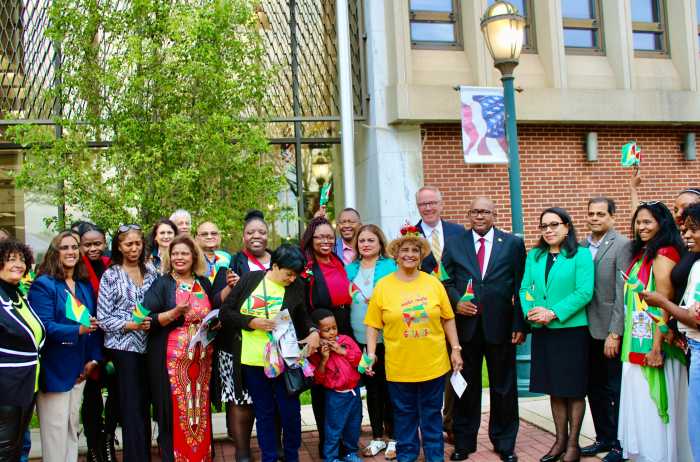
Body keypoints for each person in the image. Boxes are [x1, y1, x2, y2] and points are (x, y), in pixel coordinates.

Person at [364, 225, 463, 462]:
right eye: (404, 250)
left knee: (431, 415)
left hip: (433, 364)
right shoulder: (383, 286)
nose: (409, 254)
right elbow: (372, 325)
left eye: (415, 250)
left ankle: (434, 456)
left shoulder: (433, 283)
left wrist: (456, 349)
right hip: (399, 366)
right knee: (404, 416)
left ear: (421, 256)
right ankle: (406, 456)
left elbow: (448, 318)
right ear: (396, 255)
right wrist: (370, 354)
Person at [441, 197, 526, 462]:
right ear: (469, 214)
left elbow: (521, 286)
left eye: (485, 211)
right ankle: (464, 442)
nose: (480, 216)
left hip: (501, 327)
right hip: (467, 328)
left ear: (494, 214)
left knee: (504, 387)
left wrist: (519, 323)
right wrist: (457, 303)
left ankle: (504, 443)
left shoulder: (512, 244)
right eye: (475, 211)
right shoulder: (455, 244)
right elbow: (444, 280)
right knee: (465, 386)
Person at [219, 244, 321, 462]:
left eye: (296, 275)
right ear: (275, 266)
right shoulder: (250, 280)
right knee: (264, 413)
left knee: (290, 413)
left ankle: (291, 456)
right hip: (252, 360)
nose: (292, 278)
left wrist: (313, 331)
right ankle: (269, 457)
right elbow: (225, 313)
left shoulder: (296, 286)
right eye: (289, 274)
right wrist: (251, 322)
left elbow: (303, 316)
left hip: (284, 360)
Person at [617, 202, 691, 462]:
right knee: (640, 406)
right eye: (638, 222)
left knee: (653, 408)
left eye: (648, 222)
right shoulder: (645, 252)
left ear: (662, 223)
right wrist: (633, 189)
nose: (641, 227)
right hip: (636, 337)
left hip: (655, 343)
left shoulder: (664, 253)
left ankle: (659, 456)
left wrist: (657, 347)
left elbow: (664, 301)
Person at [519, 208, 594, 462]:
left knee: (573, 389)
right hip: (544, 332)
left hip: (571, 331)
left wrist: (553, 312)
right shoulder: (535, 256)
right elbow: (525, 289)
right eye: (544, 226)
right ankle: (559, 440)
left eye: (554, 224)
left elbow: (584, 292)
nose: (548, 230)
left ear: (567, 227)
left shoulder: (581, 255)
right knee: (554, 389)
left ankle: (573, 444)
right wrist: (532, 311)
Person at [29, 231, 102, 462]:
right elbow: (45, 327)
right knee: (55, 433)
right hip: (55, 369)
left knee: (72, 429)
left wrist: (93, 360)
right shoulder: (44, 285)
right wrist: (77, 330)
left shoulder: (82, 285)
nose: (71, 252)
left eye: (74, 247)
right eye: (65, 247)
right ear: (55, 252)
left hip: (80, 371)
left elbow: (94, 324)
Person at [142, 234, 217, 461]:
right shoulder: (162, 283)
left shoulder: (203, 282)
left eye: (184, 253)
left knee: (199, 409)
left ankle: (201, 456)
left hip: (202, 362)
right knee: (173, 412)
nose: (179, 258)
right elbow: (146, 319)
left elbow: (212, 311)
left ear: (194, 256)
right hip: (171, 363)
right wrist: (174, 313)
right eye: (174, 254)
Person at [211, 210, 273, 461]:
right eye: (250, 232)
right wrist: (229, 287)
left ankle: (273, 447)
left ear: (268, 236)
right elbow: (215, 303)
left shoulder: (279, 261)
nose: (256, 236)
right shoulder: (231, 265)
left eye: (261, 232)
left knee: (273, 396)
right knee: (240, 398)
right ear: (243, 237)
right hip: (237, 343)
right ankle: (243, 452)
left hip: (273, 342)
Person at [641, 202, 700, 461]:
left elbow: (697, 318)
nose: (685, 235)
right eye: (685, 229)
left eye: (693, 229)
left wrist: (662, 303)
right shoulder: (696, 264)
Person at [97, 224, 158, 462]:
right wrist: (130, 325)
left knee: (146, 405)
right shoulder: (111, 275)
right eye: (128, 244)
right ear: (119, 247)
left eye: (138, 243)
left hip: (150, 345)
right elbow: (103, 318)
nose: (134, 248)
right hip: (124, 348)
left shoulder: (152, 271)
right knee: (131, 406)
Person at [578, 198, 630, 462]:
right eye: (591, 214)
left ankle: (621, 444)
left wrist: (615, 333)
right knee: (593, 388)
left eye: (600, 214)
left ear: (612, 217)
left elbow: (623, 293)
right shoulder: (580, 247)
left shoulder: (622, 245)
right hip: (584, 329)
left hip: (609, 330)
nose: (594, 218)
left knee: (615, 389)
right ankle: (603, 438)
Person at [300, 216, 352, 456]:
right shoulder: (307, 267)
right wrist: (315, 333)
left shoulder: (337, 260)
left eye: (329, 237)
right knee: (324, 387)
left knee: (342, 383)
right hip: (321, 329)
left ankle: (342, 439)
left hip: (342, 327)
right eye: (320, 236)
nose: (325, 240)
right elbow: (301, 304)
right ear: (311, 239)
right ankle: (327, 441)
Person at [345, 224, 397, 458]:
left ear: (380, 243)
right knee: (373, 390)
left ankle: (394, 437)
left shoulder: (391, 265)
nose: (365, 244)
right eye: (361, 240)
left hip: (386, 338)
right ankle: (377, 437)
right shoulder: (350, 268)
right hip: (360, 338)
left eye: (370, 240)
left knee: (390, 389)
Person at [0, 240, 44, 461]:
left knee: (16, 447)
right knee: (5, 449)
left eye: (21, 259)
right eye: (10, 259)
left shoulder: (18, 295)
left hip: (27, 385)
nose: (18, 264)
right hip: (5, 386)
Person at [79, 224, 119, 462]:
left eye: (97, 243)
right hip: (88, 338)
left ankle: (107, 438)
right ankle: (93, 445)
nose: (93, 248)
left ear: (104, 243)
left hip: (112, 339)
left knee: (116, 391)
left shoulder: (110, 265)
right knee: (91, 395)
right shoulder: (77, 267)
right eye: (88, 244)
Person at [308, 309, 363, 462]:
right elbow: (318, 378)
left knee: (354, 425)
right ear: (317, 332)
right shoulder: (316, 352)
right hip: (335, 395)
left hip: (354, 392)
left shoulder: (346, 340)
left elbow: (360, 361)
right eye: (326, 330)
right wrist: (324, 359)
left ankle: (350, 452)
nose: (332, 332)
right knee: (333, 428)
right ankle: (331, 457)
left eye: (334, 328)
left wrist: (342, 350)